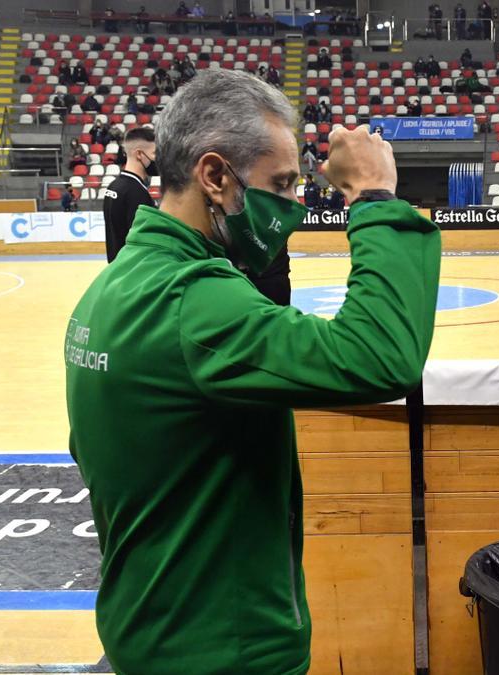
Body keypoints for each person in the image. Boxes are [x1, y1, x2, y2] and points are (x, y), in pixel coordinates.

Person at [65, 68, 441, 675]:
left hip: (149, 622)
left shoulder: (112, 287)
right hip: (224, 648)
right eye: (282, 184)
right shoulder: (194, 302)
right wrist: (374, 197)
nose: (291, 206)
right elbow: (380, 357)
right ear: (214, 175)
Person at [102, 126, 157, 262]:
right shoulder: (137, 193)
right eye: (155, 153)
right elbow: (142, 244)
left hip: (117, 268)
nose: (158, 159)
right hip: (133, 272)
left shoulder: (114, 186)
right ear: (139, 154)